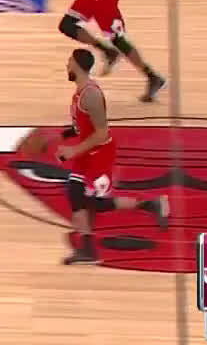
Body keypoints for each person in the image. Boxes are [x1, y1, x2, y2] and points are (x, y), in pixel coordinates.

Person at [20, 49, 169, 265]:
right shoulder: (79, 93)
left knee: (92, 202)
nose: (67, 66)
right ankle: (88, 248)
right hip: (87, 154)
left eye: (69, 62)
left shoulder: (91, 95)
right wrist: (58, 136)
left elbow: (102, 133)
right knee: (78, 195)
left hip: (99, 154)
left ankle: (149, 205)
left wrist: (73, 151)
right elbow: (80, 126)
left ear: (78, 65)